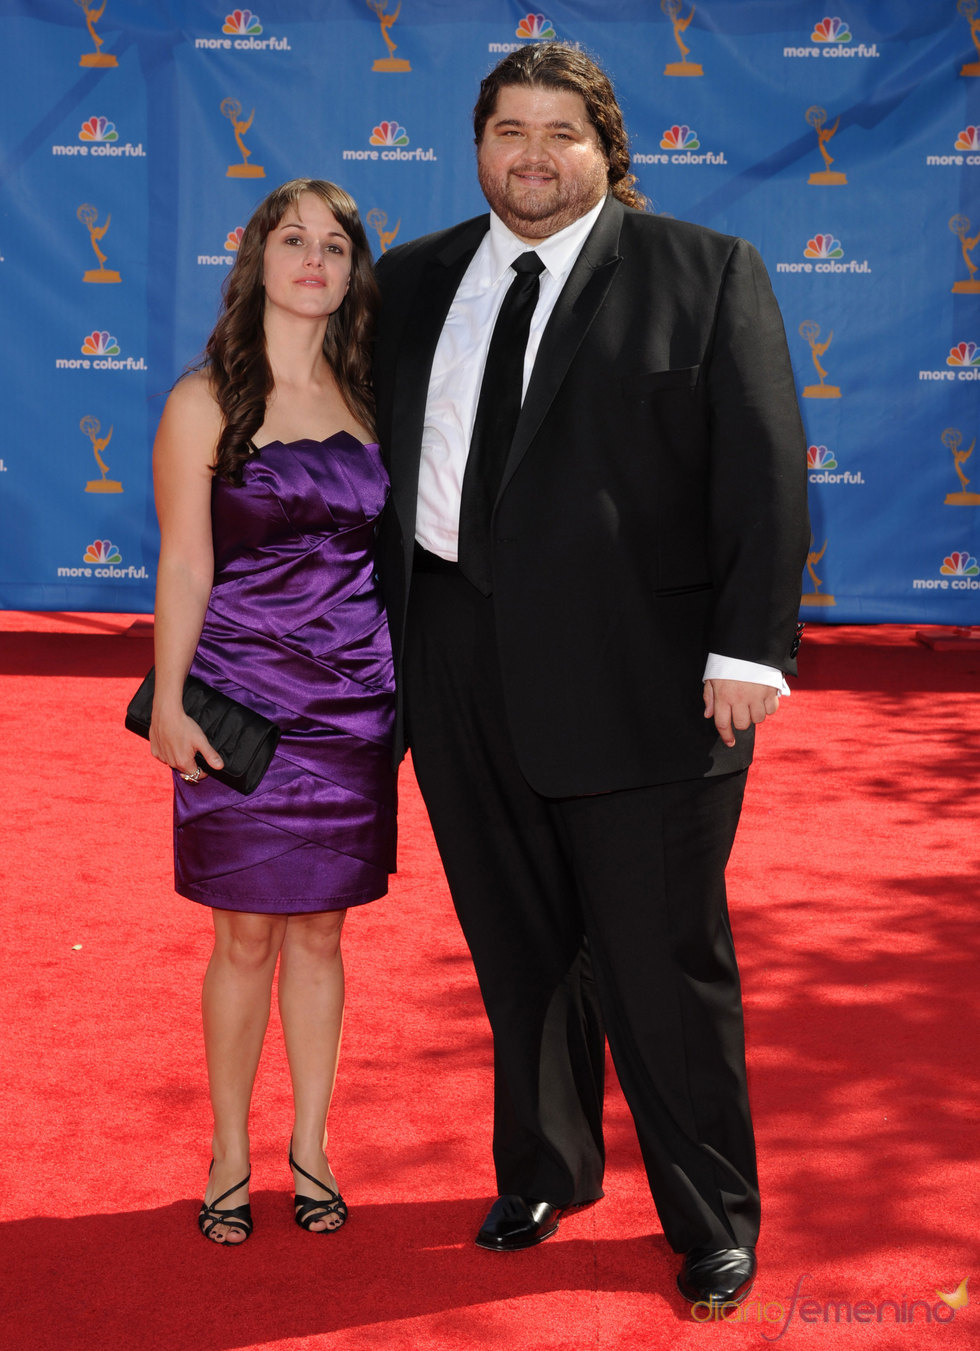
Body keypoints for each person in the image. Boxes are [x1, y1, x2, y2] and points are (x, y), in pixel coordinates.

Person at [373, 44, 808, 1307]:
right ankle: (546, 1168)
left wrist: (746, 650)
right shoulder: (411, 281)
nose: (530, 154)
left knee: (657, 958)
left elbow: (765, 473)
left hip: (645, 672)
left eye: (559, 132)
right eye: (506, 129)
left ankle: (709, 1214)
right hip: (453, 653)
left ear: (605, 149)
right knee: (517, 945)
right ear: (475, 147)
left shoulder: (700, 270)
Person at [150, 178, 395, 1245]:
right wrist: (166, 700)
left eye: (334, 246)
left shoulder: (372, 396)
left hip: (352, 703)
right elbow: (185, 564)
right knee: (243, 934)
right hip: (242, 701)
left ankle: (312, 1148)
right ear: (255, 258)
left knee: (323, 935)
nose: (313, 261)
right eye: (292, 241)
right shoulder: (204, 400)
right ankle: (229, 1153)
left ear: (351, 272)